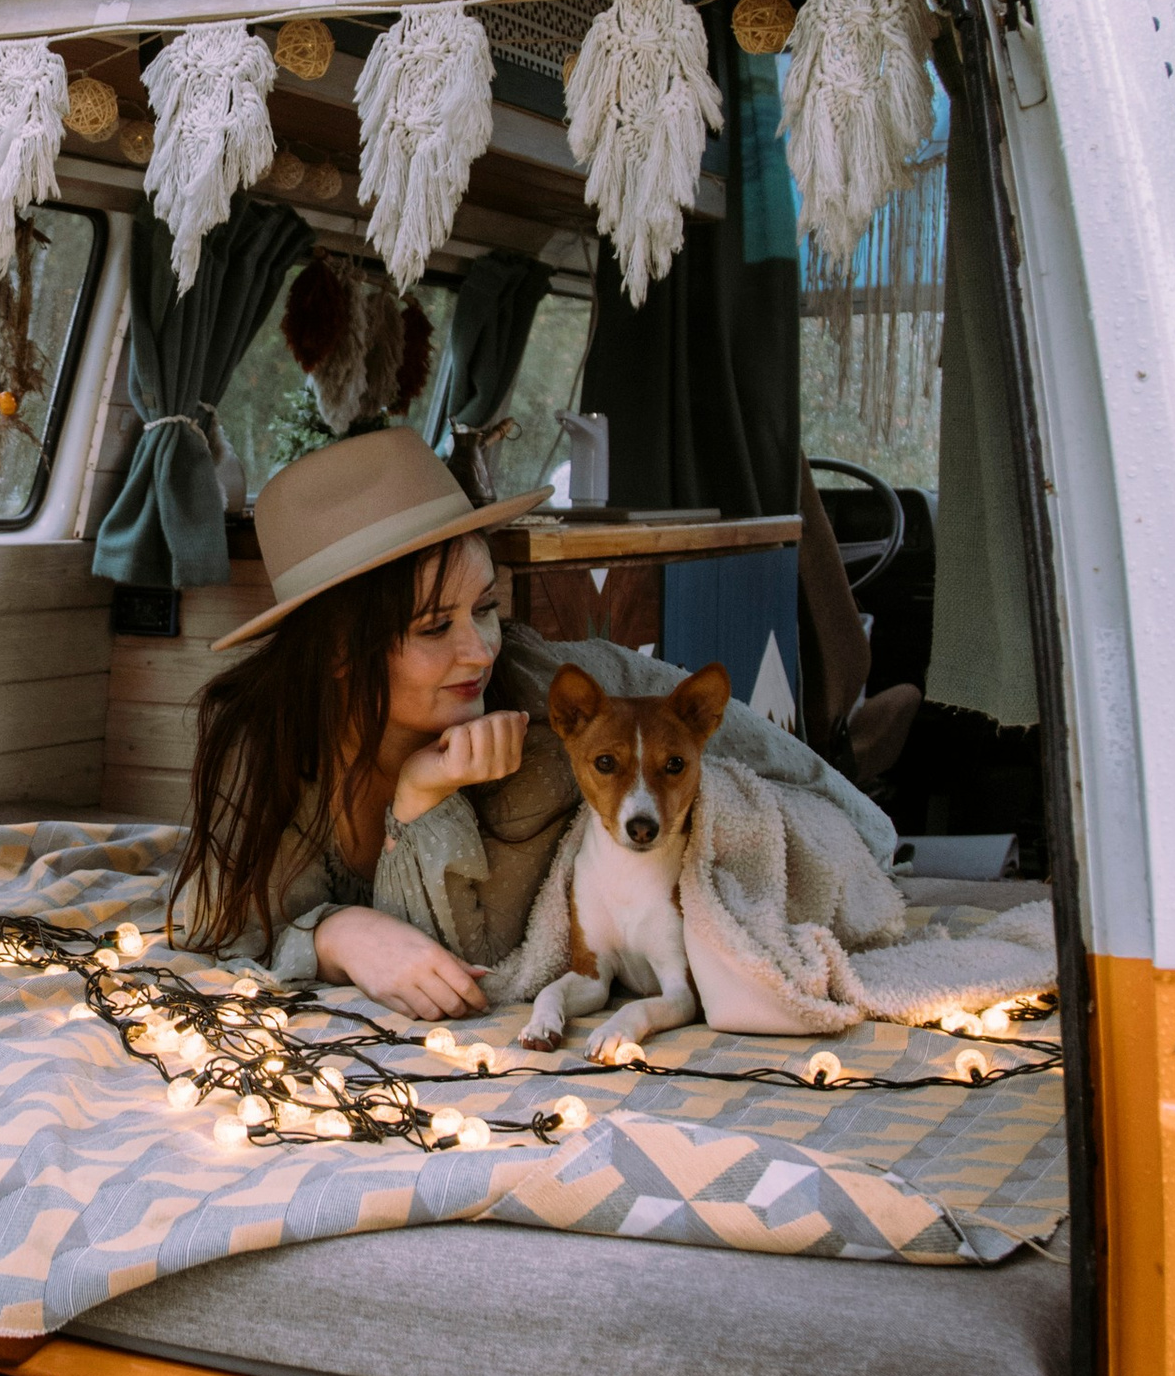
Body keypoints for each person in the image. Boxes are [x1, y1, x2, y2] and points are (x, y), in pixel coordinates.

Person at [173, 428, 894, 1018]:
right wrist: (338, 934)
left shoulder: (567, 697)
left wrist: (867, 845)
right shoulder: (264, 743)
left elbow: (787, 771)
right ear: (338, 651)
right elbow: (211, 920)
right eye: (434, 627)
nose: (479, 649)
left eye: (484, 608)